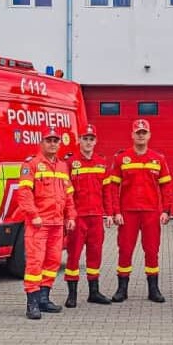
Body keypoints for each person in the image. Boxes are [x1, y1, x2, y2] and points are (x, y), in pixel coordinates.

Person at [106, 118, 173, 303]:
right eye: (138, 133)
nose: (141, 135)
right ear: (132, 135)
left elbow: (166, 186)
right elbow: (113, 187)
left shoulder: (158, 159)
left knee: (152, 250)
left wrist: (166, 210)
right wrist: (116, 211)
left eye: (144, 132)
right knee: (125, 250)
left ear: (149, 135)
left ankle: (154, 289)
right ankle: (122, 289)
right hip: (127, 212)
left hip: (151, 212)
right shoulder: (121, 158)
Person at [14, 128, 76, 320]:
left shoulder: (63, 166)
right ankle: (32, 303)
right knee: (35, 262)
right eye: (49, 141)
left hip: (57, 224)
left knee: (52, 262)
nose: (52, 144)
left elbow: (68, 195)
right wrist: (34, 215)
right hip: (38, 224)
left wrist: (71, 216)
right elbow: (24, 193)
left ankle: (44, 298)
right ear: (41, 143)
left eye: (55, 141)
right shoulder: (31, 164)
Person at [63, 124, 112, 307]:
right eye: (85, 139)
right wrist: (68, 216)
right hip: (78, 217)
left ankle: (94, 292)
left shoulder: (101, 162)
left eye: (91, 139)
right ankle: (72, 295)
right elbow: (66, 193)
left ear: (96, 141)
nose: (88, 142)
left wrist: (109, 213)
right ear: (79, 140)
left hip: (96, 216)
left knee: (95, 254)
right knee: (73, 255)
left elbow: (107, 191)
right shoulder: (70, 163)